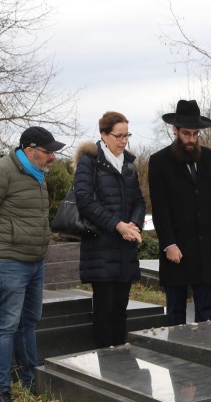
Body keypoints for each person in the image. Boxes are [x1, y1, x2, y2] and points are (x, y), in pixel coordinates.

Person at [0, 126, 66, 402]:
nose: (53, 158)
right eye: (49, 152)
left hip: (34, 262)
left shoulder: (38, 175)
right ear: (30, 149)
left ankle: (30, 380)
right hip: (7, 261)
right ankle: (0, 392)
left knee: (29, 323)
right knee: (6, 326)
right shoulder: (0, 173)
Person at [148, 99, 211, 326]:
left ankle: (207, 353)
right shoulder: (159, 161)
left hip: (206, 246)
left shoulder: (209, 157)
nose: (191, 140)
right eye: (186, 134)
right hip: (177, 247)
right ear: (175, 131)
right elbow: (160, 208)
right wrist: (169, 244)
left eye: (196, 134)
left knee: (206, 311)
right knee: (176, 312)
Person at [73, 111, 145, 348]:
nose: (123, 141)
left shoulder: (129, 162)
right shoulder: (89, 161)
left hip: (125, 246)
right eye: (118, 136)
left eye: (127, 135)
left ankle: (121, 360)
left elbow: (139, 201)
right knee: (104, 309)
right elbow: (84, 200)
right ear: (104, 135)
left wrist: (133, 223)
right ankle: (105, 360)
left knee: (121, 309)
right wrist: (117, 225)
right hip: (100, 247)